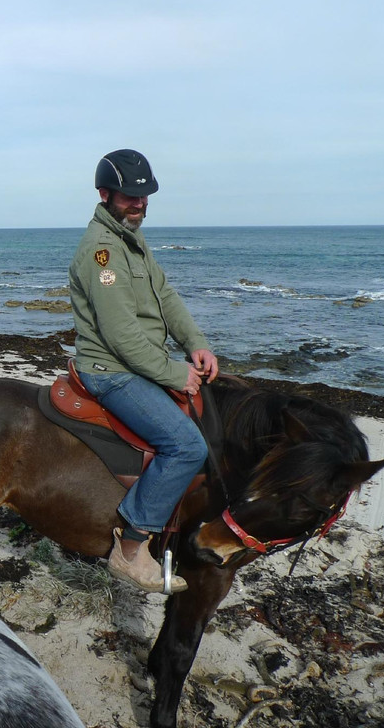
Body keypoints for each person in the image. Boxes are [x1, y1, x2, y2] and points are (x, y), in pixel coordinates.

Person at [68, 148, 218, 595]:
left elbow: (165, 296)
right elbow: (119, 334)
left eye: (145, 195)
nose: (139, 203)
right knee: (186, 445)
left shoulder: (132, 239)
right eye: (130, 197)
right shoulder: (102, 253)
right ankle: (131, 547)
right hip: (111, 371)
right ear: (104, 194)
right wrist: (173, 373)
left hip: (138, 363)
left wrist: (196, 344)